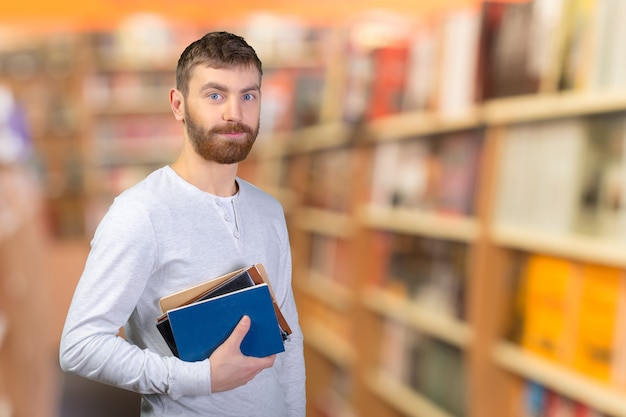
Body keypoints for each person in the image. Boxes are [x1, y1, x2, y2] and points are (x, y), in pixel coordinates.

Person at [59, 31, 306, 417]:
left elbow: (289, 341)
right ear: (178, 105)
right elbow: (80, 345)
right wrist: (201, 378)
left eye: (248, 95)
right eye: (214, 95)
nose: (234, 113)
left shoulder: (270, 211)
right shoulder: (139, 212)